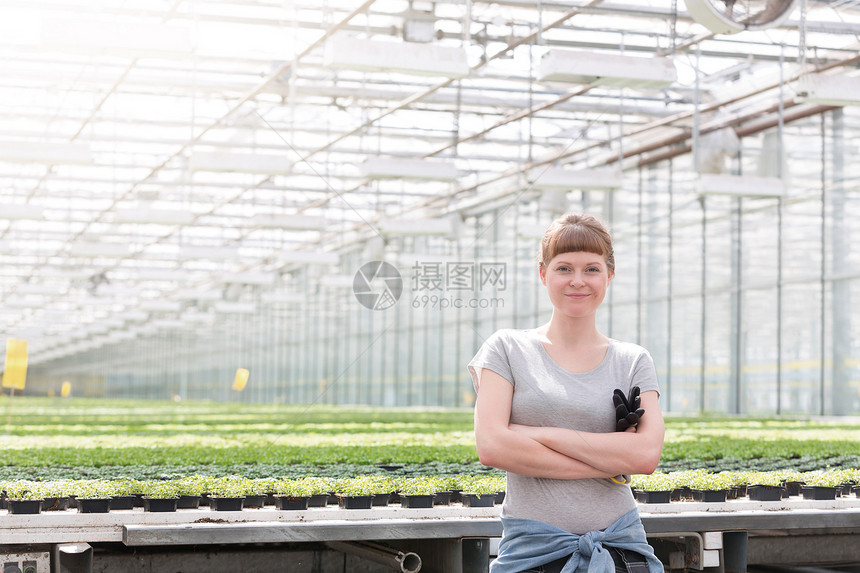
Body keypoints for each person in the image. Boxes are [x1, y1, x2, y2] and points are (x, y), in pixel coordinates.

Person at [469, 213, 665, 573]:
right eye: (564, 269)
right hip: (533, 553)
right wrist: (608, 462)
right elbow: (492, 446)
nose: (578, 281)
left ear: (609, 275)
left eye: (591, 269)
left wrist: (533, 434)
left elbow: (646, 455)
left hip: (621, 550)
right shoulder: (507, 349)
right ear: (543, 273)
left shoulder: (632, 359)